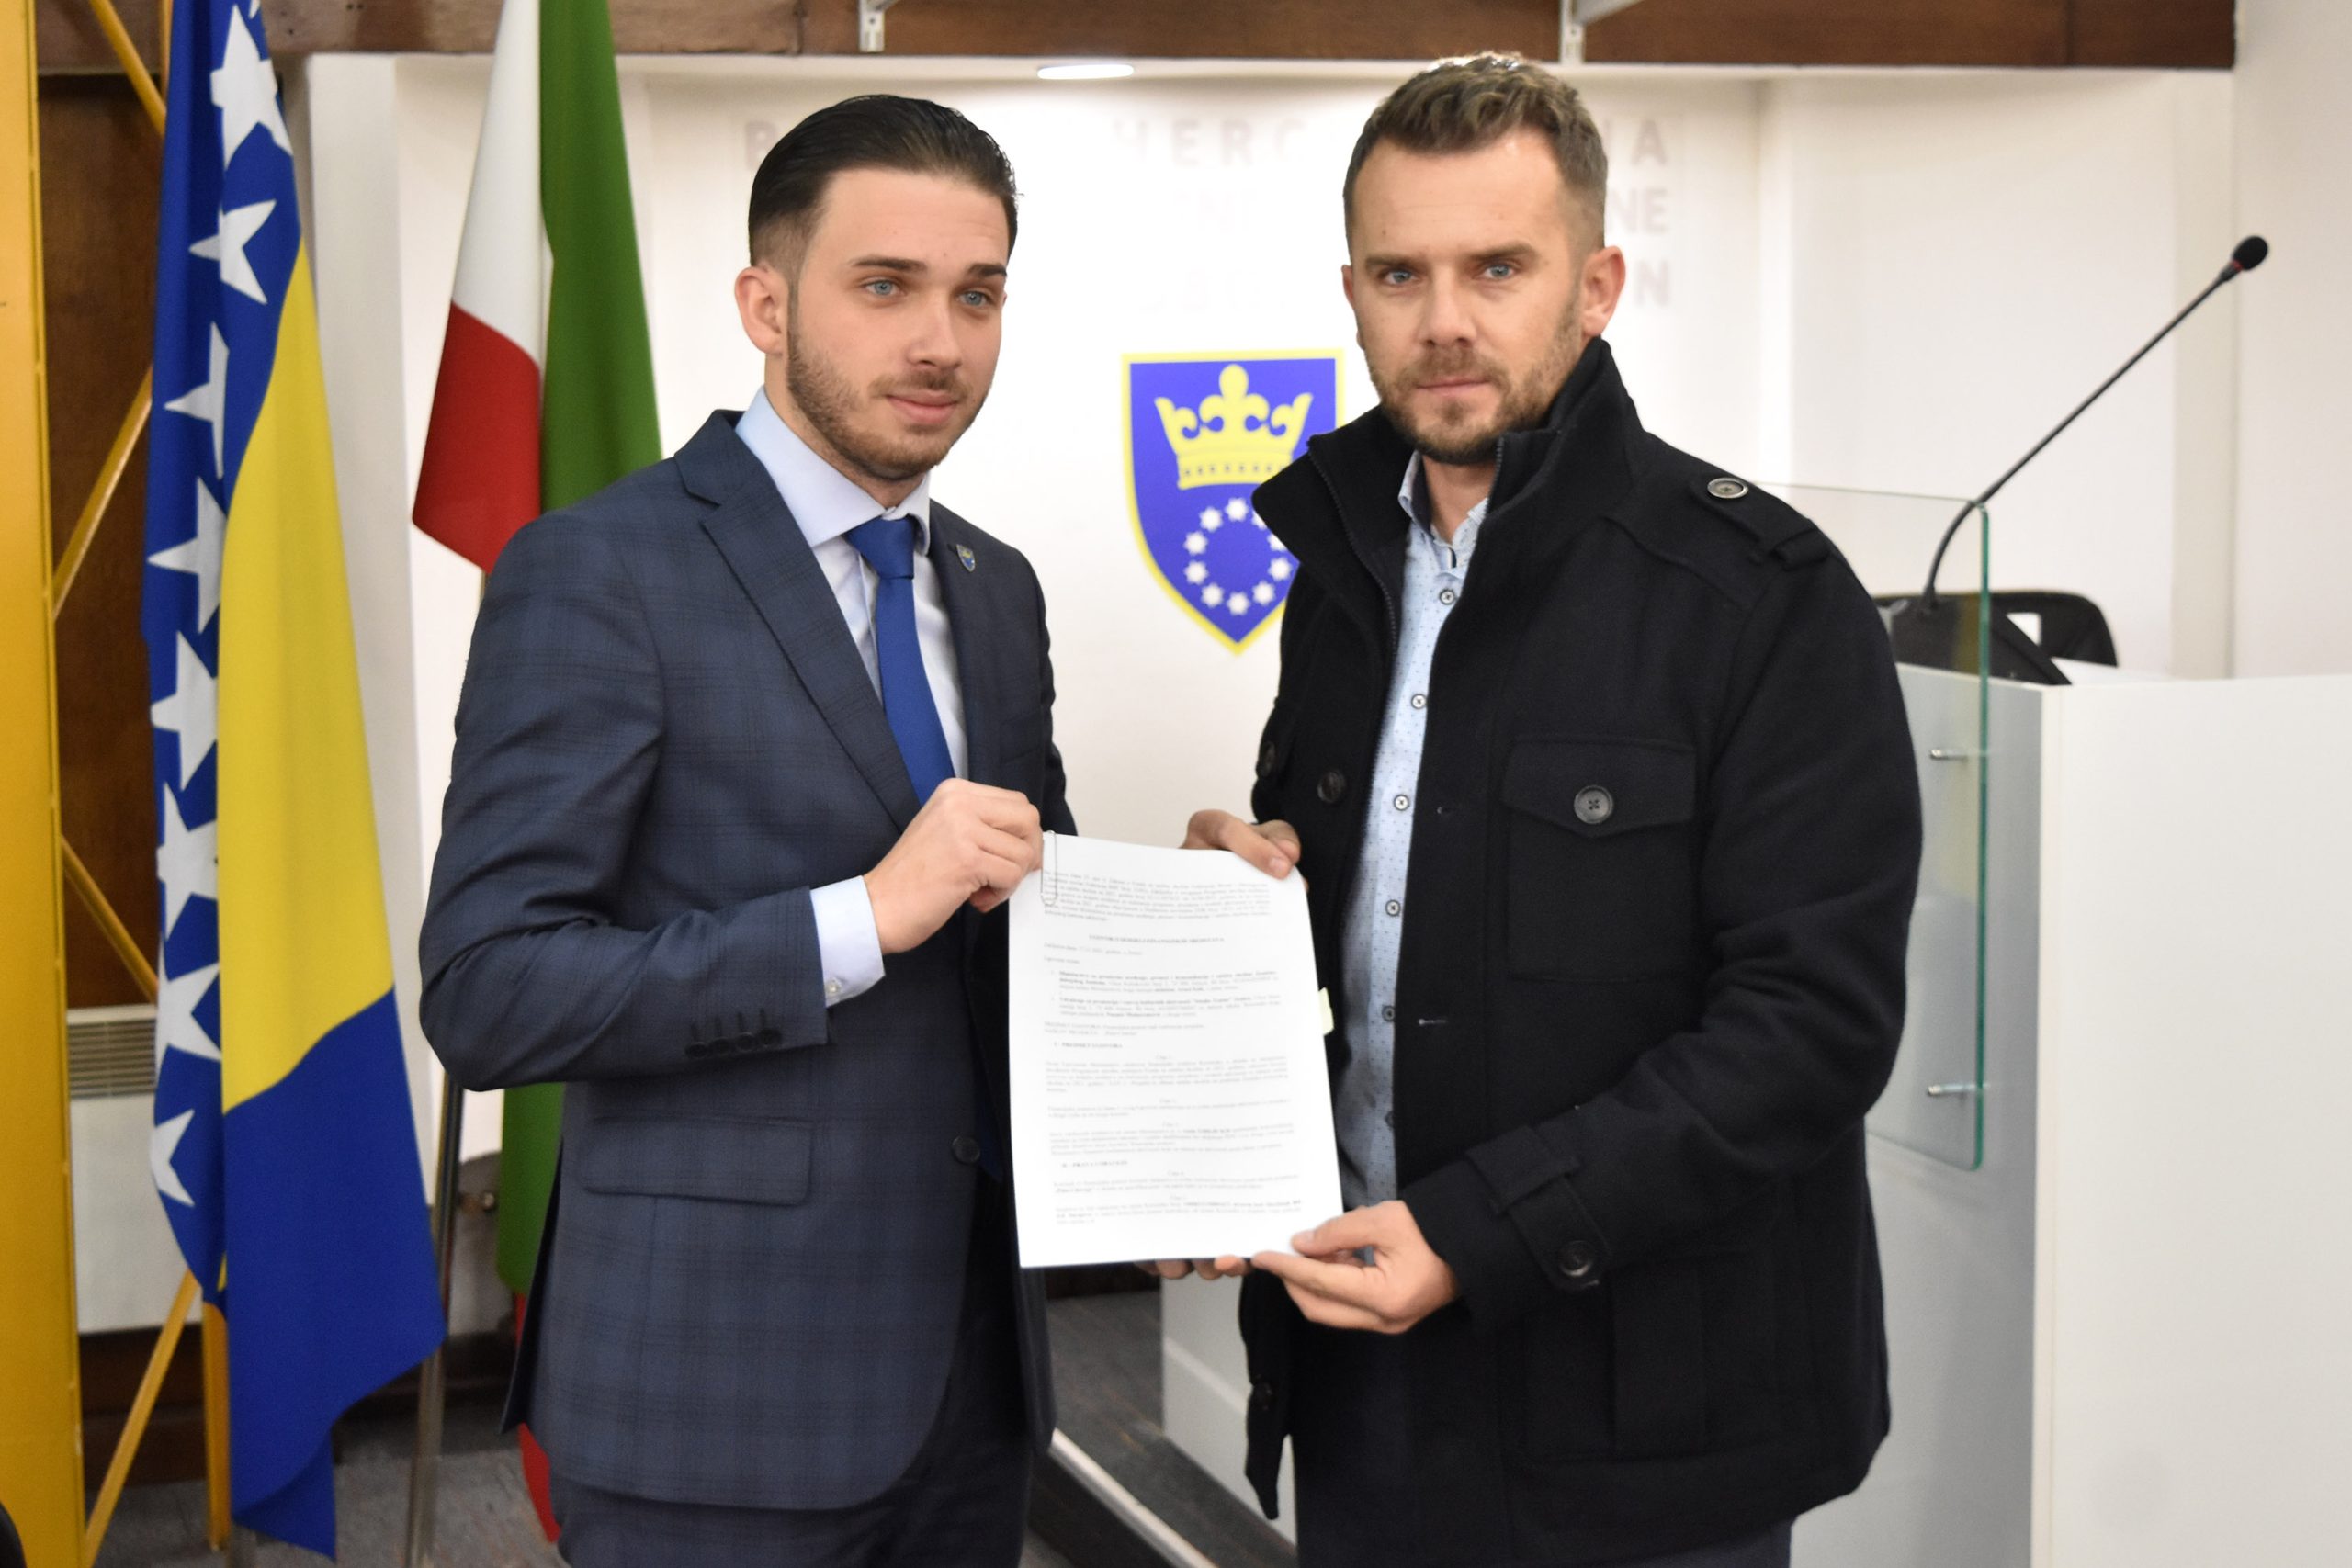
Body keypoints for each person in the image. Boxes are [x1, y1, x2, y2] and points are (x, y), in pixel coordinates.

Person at [1176, 54, 1923, 1568]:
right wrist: (1238, 908)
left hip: (1652, 1423)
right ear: (1353, 292)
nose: (1444, 319)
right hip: (1362, 1370)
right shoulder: (1341, 574)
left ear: (1595, 287)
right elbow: (1383, 928)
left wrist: (1476, 1235)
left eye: (1497, 268)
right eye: (1401, 273)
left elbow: (1811, 1029)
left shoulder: (1761, 598)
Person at [419, 96, 1069, 1567]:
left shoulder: (997, 586)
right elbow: (487, 990)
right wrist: (856, 922)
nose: (941, 342)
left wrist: (1190, 908)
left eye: (977, 295)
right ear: (765, 307)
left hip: (976, 1386)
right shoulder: (599, 570)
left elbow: (1015, 906)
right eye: (885, 286)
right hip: (709, 1396)